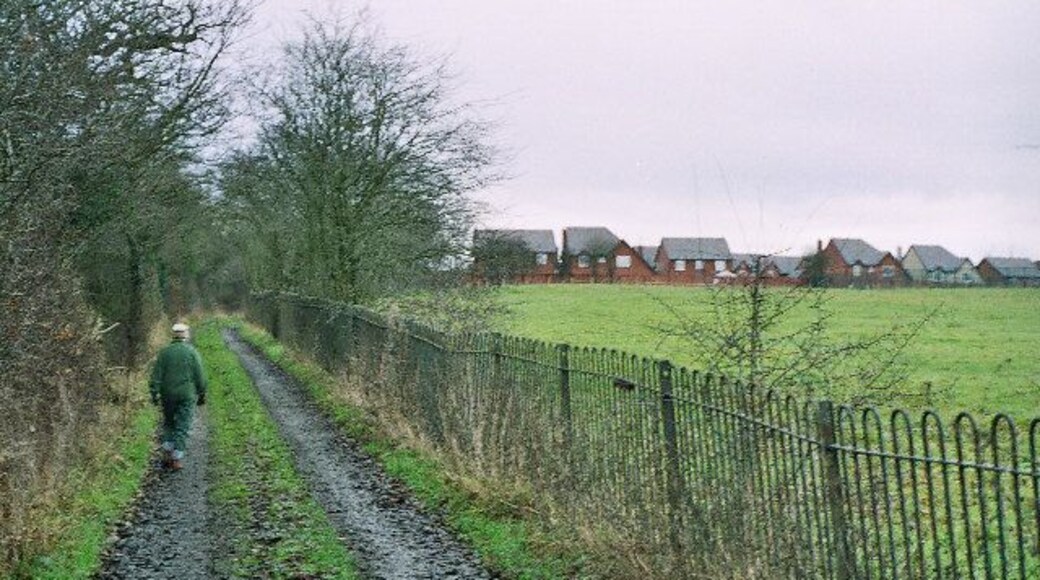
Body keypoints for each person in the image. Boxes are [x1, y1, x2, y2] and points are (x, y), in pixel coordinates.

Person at [149, 322, 207, 470]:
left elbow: (156, 374)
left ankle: (167, 453)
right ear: (186, 336)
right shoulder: (192, 352)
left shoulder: (164, 352)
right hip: (186, 395)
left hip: (167, 394)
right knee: (182, 426)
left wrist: (154, 392)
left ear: (173, 335)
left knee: (169, 423)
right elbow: (199, 376)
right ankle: (176, 459)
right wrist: (201, 393)